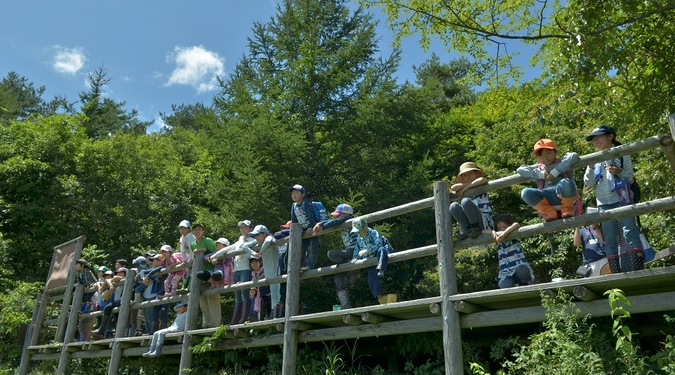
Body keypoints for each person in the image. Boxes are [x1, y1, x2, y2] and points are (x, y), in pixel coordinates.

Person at [583, 125, 644, 273]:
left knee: (629, 231)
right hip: (603, 203)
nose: (596, 141)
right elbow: (588, 183)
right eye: (593, 139)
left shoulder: (622, 154)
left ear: (611, 136)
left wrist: (619, 172)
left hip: (623, 198)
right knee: (609, 238)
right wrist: (590, 168)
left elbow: (630, 176)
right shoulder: (594, 159)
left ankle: (634, 269)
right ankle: (615, 272)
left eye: (599, 137)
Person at [517, 139, 580, 221]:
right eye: (541, 155)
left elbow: (574, 155)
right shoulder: (539, 168)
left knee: (566, 182)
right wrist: (541, 174)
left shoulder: (563, 162)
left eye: (548, 153)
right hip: (547, 201)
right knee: (525, 192)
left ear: (555, 152)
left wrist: (556, 171)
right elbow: (520, 170)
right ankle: (549, 212)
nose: (545, 157)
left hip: (565, 196)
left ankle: (567, 208)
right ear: (537, 157)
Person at [313, 203, 358, 309]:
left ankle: (354, 267)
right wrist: (321, 223)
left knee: (331, 253)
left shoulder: (351, 220)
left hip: (355, 251)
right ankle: (346, 306)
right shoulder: (343, 220)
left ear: (346, 214)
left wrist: (321, 225)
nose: (337, 217)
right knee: (338, 279)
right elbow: (334, 221)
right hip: (348, 253)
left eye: (339, 215)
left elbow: (335, 222)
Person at [223, 220, 258, 325]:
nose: (243, 230)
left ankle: (244, 317)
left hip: (245, 269)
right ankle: (235, 319)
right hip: (237, 270)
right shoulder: (239, 241)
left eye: (245, 227)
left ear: (251, 229)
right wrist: (215, 255)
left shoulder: (253, 240)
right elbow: (228, 249)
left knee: (244, 293)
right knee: (237, 293)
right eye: (241, 228)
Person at [350, 218, 393, 305]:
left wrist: (367, 250)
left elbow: (379, 244)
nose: (358, 233)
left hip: (381, 255)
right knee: (371, 281)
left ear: (365, 227)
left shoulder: (374, 233)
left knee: (381, 250)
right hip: (371, 260)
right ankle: (381, 298)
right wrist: (355, 258)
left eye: (359, 230)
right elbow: (356, 249)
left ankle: (381, 269)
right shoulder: (359, 238)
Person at [449, 162, 494, 240]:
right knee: (453, 206)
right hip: (469, 222)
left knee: (465, 201)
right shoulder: (464, 185)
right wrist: (466, 185)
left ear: (476, 173)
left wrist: (466, 187)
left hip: (483, 220)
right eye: (464, 175)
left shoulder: (480, 183)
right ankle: (467, 229)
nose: (467, 176)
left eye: (470, 173)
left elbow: (482, 180)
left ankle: (475, 227)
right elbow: (453, 187)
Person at [190, 223, 221, 328]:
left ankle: (215, 323)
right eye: (195, 230)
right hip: (200, 274)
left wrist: (204, 250)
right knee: (202, 299)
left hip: (211, 272)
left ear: (203, 231)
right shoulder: (193, 244)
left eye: (199, 229)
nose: (197, 231)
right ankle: (206, 323)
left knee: (213, 297)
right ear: (192, 232)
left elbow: (215, 255)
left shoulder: (208, 241)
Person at [492, 214, 535, 288]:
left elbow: (516, 224)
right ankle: (514, 287)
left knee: (523, 271)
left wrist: (504, 233)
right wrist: (492, 232)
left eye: (504, 227)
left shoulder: (515, 235)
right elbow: (483, 231)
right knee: (504, 286)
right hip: (506, 272)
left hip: (519, 268)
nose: (501, 230)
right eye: (499, 228)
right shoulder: (498, 240)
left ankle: (524, 284)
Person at [246, 224, 279, 319]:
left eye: (258, 235)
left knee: (277, 293)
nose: (256, 238)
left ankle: (276, 314)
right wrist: (254, 253)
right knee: (273, 294)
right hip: (269, 273)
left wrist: (260, 252)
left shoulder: (269, 237)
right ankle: (274, 314)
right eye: (255, 236)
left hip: (276, 270)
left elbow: (268, 240)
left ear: (264, 233)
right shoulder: (259, 243)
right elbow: (244, 246)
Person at [289, 184, 320, 270]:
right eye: (293, 193)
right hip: (302, 231)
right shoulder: (293, 206)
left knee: (313, 249)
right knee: (301, 251)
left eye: (296, 193)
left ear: (303, 194)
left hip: (313, 229)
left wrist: (311, 226)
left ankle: (310, 266)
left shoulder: (306, 203)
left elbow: (311, 216)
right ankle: (299, 268)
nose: (294, 195)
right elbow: (294, 220)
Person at [93, 267, 127, 340]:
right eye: (117, 272)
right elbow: (103, 281)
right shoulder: (116, 280)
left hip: (123, 300)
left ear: (124, 273)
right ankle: (104, 329)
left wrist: (110, 285)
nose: (117, 274)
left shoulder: (124, 278)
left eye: (119, 272)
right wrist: (108, 285)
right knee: (113, 314)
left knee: (109, 310)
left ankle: (103, 329)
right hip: (118, 301)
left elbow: (111, 279)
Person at [574, 208, 609, 277]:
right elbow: (577, 243)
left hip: (603, 259)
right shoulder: (582, 231)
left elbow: (606, 242)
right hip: (589, 264)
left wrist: (595, 227)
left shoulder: (602, 228)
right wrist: (577, 227)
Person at [74, 259, 97, 341]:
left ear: (82, 265)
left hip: (92, 286)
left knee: (87, 298)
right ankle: (83, 308)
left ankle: (85, 309)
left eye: (77, 264)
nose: (76, 266)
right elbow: (80, 281)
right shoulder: (79, 272)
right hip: (85, 288)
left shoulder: (86, 270)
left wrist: (86, 287)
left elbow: (88, 280)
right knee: (83, 298)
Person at [247, 255, 270, 321]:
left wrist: (257, 279)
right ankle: (255, 317)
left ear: (260, 262)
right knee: (254, 301)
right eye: (252, 263)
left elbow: (263, 275)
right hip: (257, 293)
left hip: (266, 291)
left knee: (267, 304)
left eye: (256, 262)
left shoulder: (263, 269)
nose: (254, 264)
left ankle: (268, 316)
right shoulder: (252, 273)